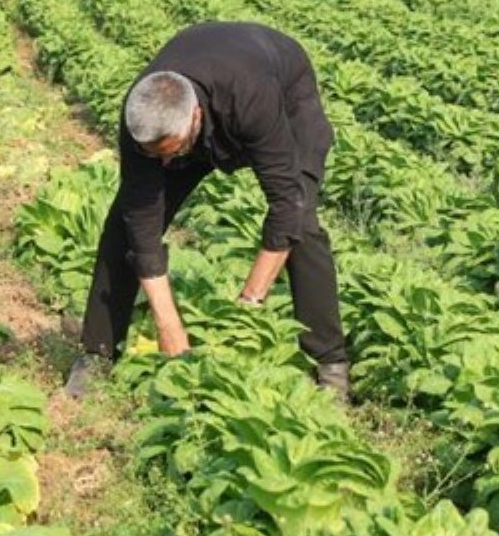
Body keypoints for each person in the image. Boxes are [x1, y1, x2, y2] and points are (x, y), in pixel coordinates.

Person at [64, 22, 349, 400]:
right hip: (204, 94)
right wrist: (169, 325)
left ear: (195, 118)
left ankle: (331, 366)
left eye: (173, 151)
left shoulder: (250, 98)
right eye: (155, 155)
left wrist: (249, 303)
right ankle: (98, 354)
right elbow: (143, 226)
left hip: (282, 91)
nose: (164, 163)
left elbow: (285, 202)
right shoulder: (142, 117)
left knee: (302, 221)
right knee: (125, 223)